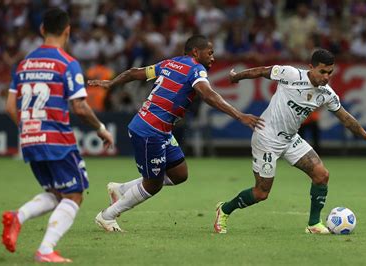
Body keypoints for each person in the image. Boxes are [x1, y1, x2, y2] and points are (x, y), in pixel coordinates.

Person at [89, 35, 264, 232]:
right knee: (153, 185)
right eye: (210, 53)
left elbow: (134, 72)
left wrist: (112, 83)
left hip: (161, 129)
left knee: (179, 174)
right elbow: (208, 95)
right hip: (150, 129)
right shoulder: (196, 69)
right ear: (196, 52)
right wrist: (239, 115)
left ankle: (120, 189)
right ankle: (107, 216)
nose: (213, 58)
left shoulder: (170, 63)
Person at [213, 49, 366, 234]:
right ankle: (224, 210)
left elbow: (346, 119)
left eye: (330, 73)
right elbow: (262, 70)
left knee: (321, 175)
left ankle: (313, 224)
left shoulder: (326, 94)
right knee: (261, 193)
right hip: (267, 138)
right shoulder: (291, 74)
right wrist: (236, 77)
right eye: (322, 72)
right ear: (311, 67)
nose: (326, 77)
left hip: (290, 139)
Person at [2, 8, 114, 263]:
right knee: (74, 194)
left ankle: (17, 217)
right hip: (57, 140)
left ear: (42, 30)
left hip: (30, 140)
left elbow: (9, 107)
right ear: (67, 31)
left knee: (56, 193)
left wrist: (30, 128)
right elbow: (80, 107)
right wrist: (101, 128)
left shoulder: (23, 64)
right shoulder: (67, 63)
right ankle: (45, 250)